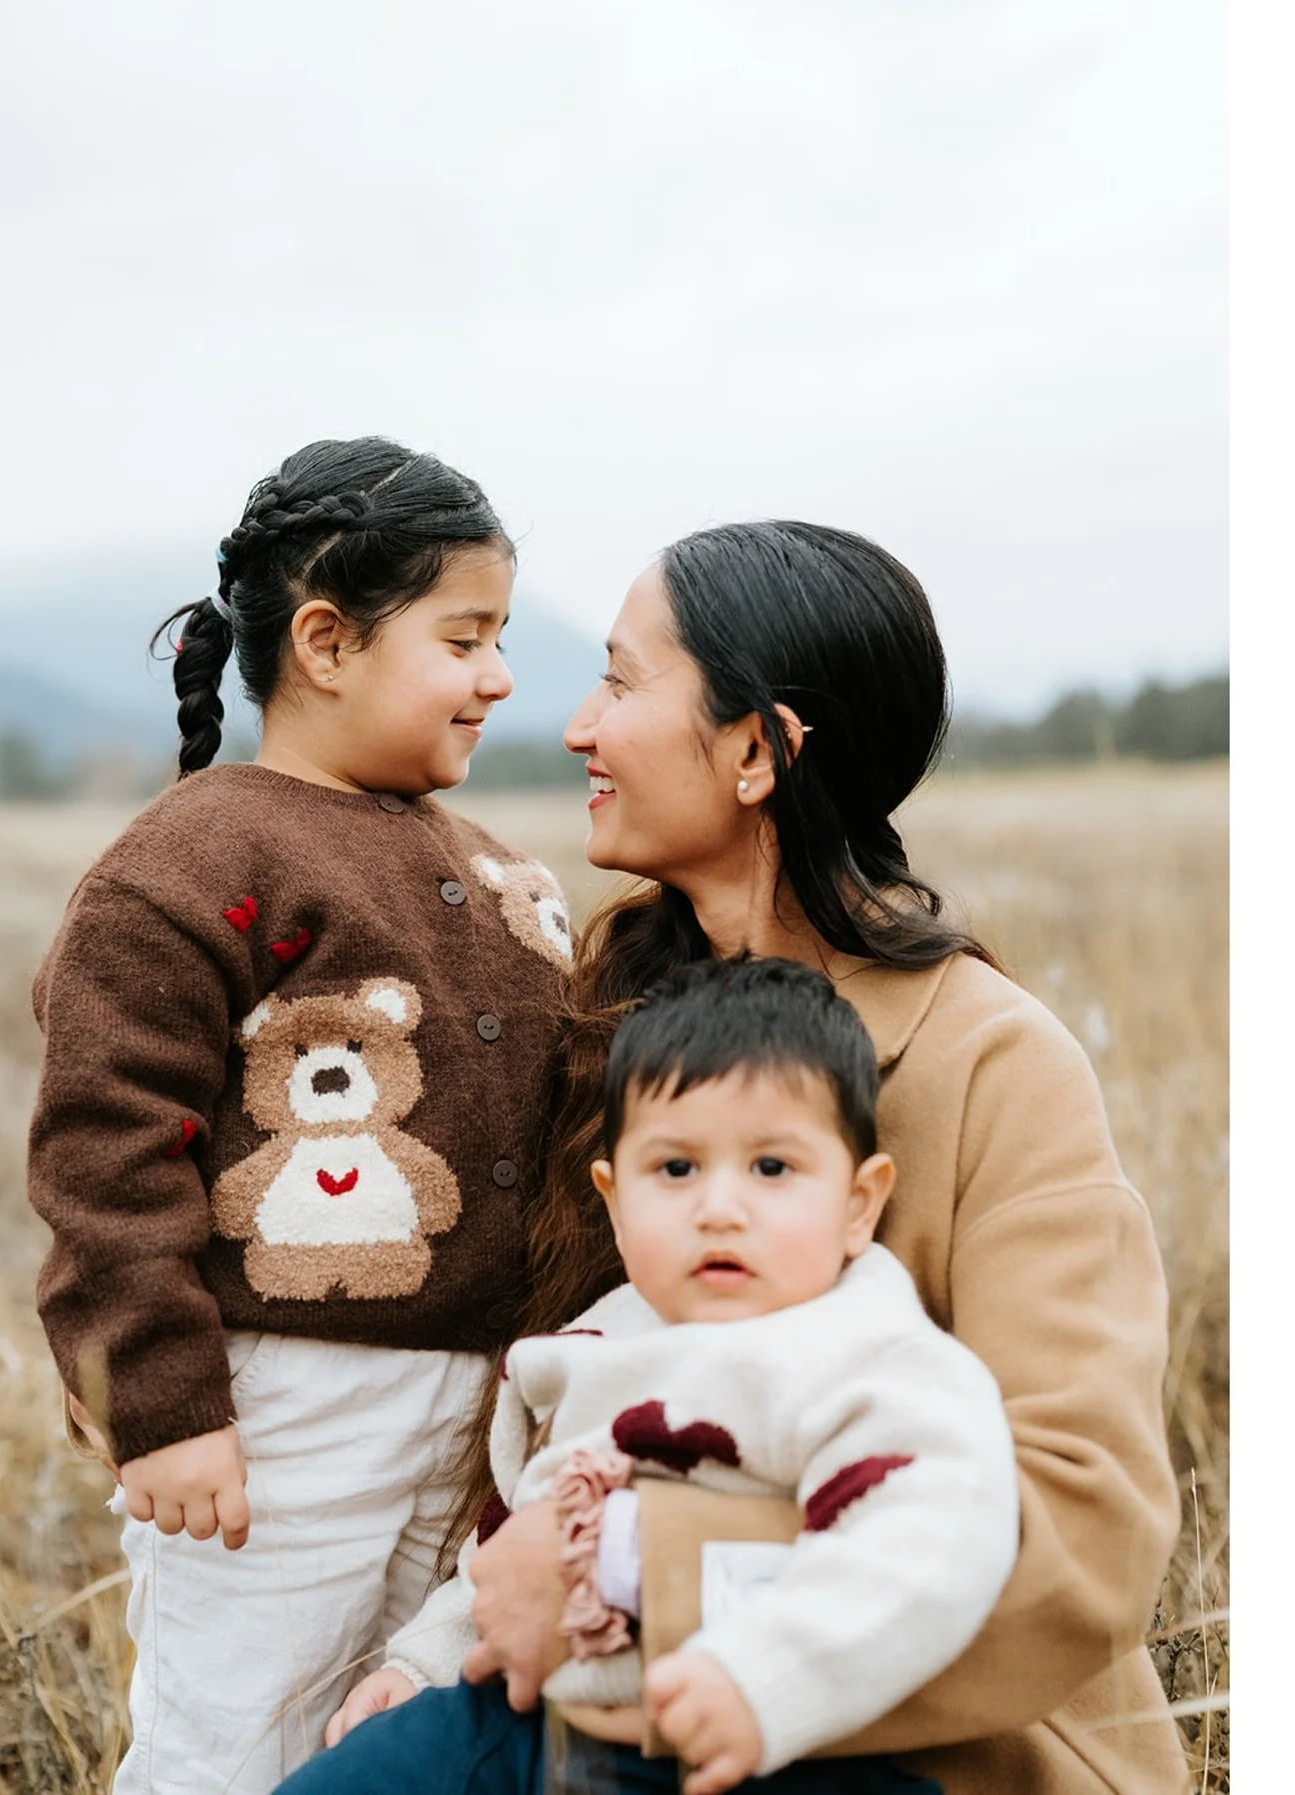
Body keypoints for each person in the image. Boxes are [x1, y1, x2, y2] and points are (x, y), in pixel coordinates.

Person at [420, 522, 1190, 1794]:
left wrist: (624, 1566)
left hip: (941, 1756)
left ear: (755, 751)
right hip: (578, 1704)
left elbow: (1085, 1528)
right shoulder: (608, 1011)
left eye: (620, 681)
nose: (577, 727)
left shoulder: (999, 1065)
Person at [25, 437, 575, 1795]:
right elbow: (106, 1147)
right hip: (277, 1416)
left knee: (406, 1741)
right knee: (236, 1740)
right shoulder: (190, 862)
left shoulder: (497, 865)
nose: (499, 675)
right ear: (327, 640)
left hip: (483, 1412)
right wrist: (163, 1403)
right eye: (466, 637)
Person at [272, 953, 1021, 1795]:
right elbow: (523, 1534)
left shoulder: (865, 1349)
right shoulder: (605, 1332)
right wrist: (425, 1661)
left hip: (763, 1736)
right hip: (534, 1716)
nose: (720, 1206)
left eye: (772, 1168)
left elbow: (929, 1537)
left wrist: (765, 1680)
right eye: (675, 1169)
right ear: (617, 1202)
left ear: (858, 1204)